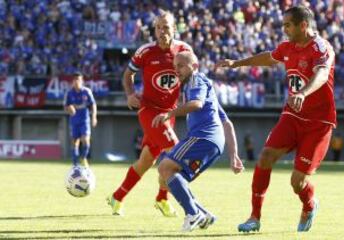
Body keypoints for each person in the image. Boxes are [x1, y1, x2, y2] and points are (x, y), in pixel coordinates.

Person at [216, 5, 336, 232]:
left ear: (303, 25)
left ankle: (309, 205)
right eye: (283, 25)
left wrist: (302, 93)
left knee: (297, 181)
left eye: (288, 25)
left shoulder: (322, 48)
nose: (284, 29)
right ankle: (254, 217)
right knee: (265, 157)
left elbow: (321, 75)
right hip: (292, 115)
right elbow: (269, 58)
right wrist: (237, 63)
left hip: (319, 123)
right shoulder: (287, 47)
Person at [107, 10, 193, 217]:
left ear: (174, 29)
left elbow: (192, 75)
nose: (162, 31)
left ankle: (117, 197)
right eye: (159, 27)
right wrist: (129, 95)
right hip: (149, 110)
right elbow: (128, 74)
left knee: (146, 161)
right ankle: (175, 203)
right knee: (176, 153)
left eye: (166, 27)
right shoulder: (145, 51)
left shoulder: (184, 50)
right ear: (154, 30)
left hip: (169, 114)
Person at [153, 51, 244, 232]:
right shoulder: (203, 87)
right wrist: (234, 155)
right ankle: (203, 215)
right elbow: (226, 122)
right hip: (214, 143)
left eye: (180, 66)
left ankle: (193, 214)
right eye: (174, 66)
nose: (176, 70)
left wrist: (169, 114)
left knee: (165, 167)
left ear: (193, 66)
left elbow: (196, 104)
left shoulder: (197, 81)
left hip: (203, 137)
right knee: (168, 178)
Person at [64, 72, 97, 167]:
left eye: (78, 79)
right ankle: (75, 163)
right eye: (74, 79)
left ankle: (83, 158)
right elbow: (65, 106)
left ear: (82, 81)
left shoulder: (86, 92)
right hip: (74, 121)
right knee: (75, 142)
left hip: (84, 120)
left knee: (85, 140)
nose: (76, 81)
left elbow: (93, 104)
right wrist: (69, 108)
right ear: (72, 81)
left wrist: (94, 117)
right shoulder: (69, 93)